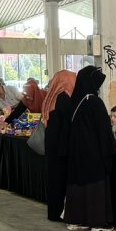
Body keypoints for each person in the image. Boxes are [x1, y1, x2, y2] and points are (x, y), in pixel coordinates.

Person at [61, 66, 113, 231]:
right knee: (95, 186)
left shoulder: (74, 101)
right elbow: (104, 132)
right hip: (93, 153)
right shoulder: (95, 102)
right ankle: (97, 222)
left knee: (77, 185)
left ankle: (77, 220)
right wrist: (109, 152)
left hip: (76, 153)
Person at [43, 70, 79, 222]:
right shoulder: (65, 98)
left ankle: (53, 212)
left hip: (52, 145)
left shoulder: (53, 97)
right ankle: (59, 213)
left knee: (53, 180)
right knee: (60, 181)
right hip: (61, 147)